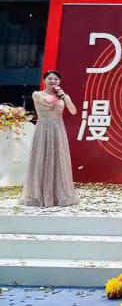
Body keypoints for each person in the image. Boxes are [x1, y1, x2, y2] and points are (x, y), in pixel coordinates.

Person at [22, 70, 78, 207]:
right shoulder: (37, 94)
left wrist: (65, 97)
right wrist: (58, 96)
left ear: (60, 81)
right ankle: (40, 195)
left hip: (58, 129)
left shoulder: (63, 96)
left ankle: (57, 195)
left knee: (58, 159)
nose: (53, 81)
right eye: (50, 79)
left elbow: (73, 111)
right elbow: (48, 104)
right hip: (43, 128)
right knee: (42, 158)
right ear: (44, 81)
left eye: (56, 79)